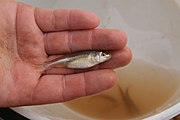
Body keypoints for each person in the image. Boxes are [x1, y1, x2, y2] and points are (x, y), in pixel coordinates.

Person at [0, 0, 132, 107]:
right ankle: (44, 66)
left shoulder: (93, 59)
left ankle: (44, 66)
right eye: (102, 55)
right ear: (96, 55)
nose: (105, 57)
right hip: (66, 62)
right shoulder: (91, 57)